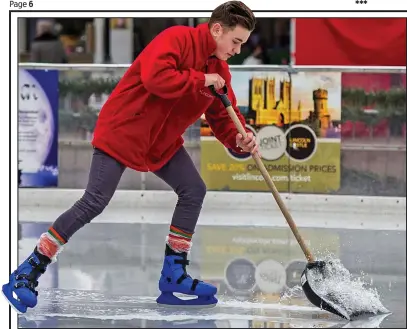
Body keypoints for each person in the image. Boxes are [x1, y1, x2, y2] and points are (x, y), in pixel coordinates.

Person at [4, 1, 258, 313]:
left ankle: (174, 274)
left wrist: (241, 139)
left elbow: (223, 120)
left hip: (159, 143)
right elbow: (157, 78)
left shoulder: (219, 71)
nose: (237, 50)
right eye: (236, 41)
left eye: (242, 44)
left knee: (193, 189)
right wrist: (199, 79)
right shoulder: (178, 39)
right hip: (123, 130)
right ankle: (29, 270)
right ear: (217, 29)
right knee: (94, 200)